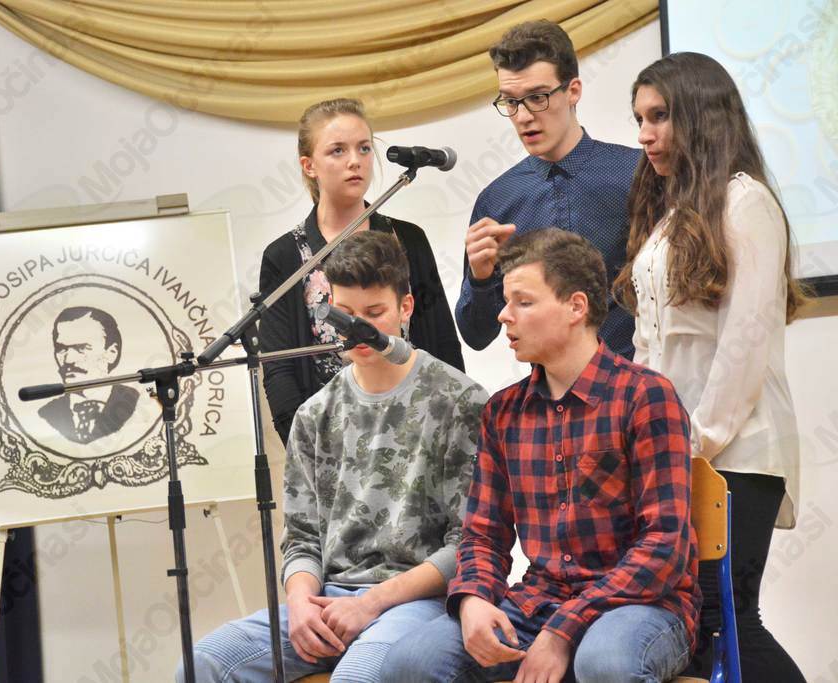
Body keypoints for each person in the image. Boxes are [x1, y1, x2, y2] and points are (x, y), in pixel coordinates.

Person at [384, 228, 699, 683]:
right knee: (410, 663)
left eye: (523, 302)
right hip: (540, 602)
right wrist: (473, 600)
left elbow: (664, 545)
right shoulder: (503, 412)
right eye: (505, 302)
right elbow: (484, 535)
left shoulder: (645, 396)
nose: (504, 315)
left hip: (641, 605)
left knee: (605, 663)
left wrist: (564, 631)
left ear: (576, 307)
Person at [180, 231, 489, 682]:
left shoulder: (460, 401)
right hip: (330, 597)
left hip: (418, 601)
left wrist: (372, 603)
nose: (358, 329)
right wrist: (301, 601)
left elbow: (469, 545)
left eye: (374, 314)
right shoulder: (315, 414)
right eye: (344, 314)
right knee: (202, 666)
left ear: (406, 307)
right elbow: (302, 537)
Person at [615, 51, 806, 682]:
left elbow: (744, 344)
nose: (644, 135)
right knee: (697, 627)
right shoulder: (670, 213)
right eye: (639, 119)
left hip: (737, 449)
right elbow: (650, 344)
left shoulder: (746, 202)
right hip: (678, 451)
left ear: (700, 116)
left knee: (730, 620)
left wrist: (692, 444)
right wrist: (644, 438)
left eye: (659, 116)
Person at [259, 97, 464, 445]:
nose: (355, 161)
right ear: (309, 165)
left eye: (364, 148)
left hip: (418, 433)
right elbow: (280, 371)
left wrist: (451, 430)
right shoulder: (285, 256)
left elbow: (443, 343)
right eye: (337, 150)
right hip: (332, 441)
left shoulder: (408, 239)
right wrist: (307, 450)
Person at [456, 20, 639, 358]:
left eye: (537, 97)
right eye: (510, 102)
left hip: (636, 381)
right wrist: (480, 279)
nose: (523, 116)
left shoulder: (637, 174)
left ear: (573, 91)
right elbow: (476, 335)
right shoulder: (497, 200)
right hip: (545, 388)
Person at [38, 306, 139, 443]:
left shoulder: (136, 402)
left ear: (111, 353)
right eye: (61, 349)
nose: (68, 360)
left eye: (81, 348)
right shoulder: (47, 414)